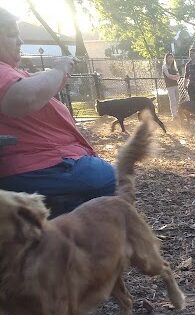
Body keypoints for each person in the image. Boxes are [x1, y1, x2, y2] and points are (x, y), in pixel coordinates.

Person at [0, 7, 115, 217]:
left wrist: (58, 71)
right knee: (109, 179)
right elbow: (24, 98)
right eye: (11, 34)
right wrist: (58, 70)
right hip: (39, 166)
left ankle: (71, 236)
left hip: (49, 160)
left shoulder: (12, 71)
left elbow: (34, 82)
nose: (20, 41)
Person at [162, 52, 180, 118]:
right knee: (173, 100)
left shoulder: (174, 66)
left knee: (177, 99)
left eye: (171, 57)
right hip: (169, 86)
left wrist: (175, 76)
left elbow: (178, 76)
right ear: (166, 59)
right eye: (169, 58)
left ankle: (178, 113)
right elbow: (168, 75)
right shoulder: (164, 66)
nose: (170, 59)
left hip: (176, 85)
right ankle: (174, 115)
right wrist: (175, 76)